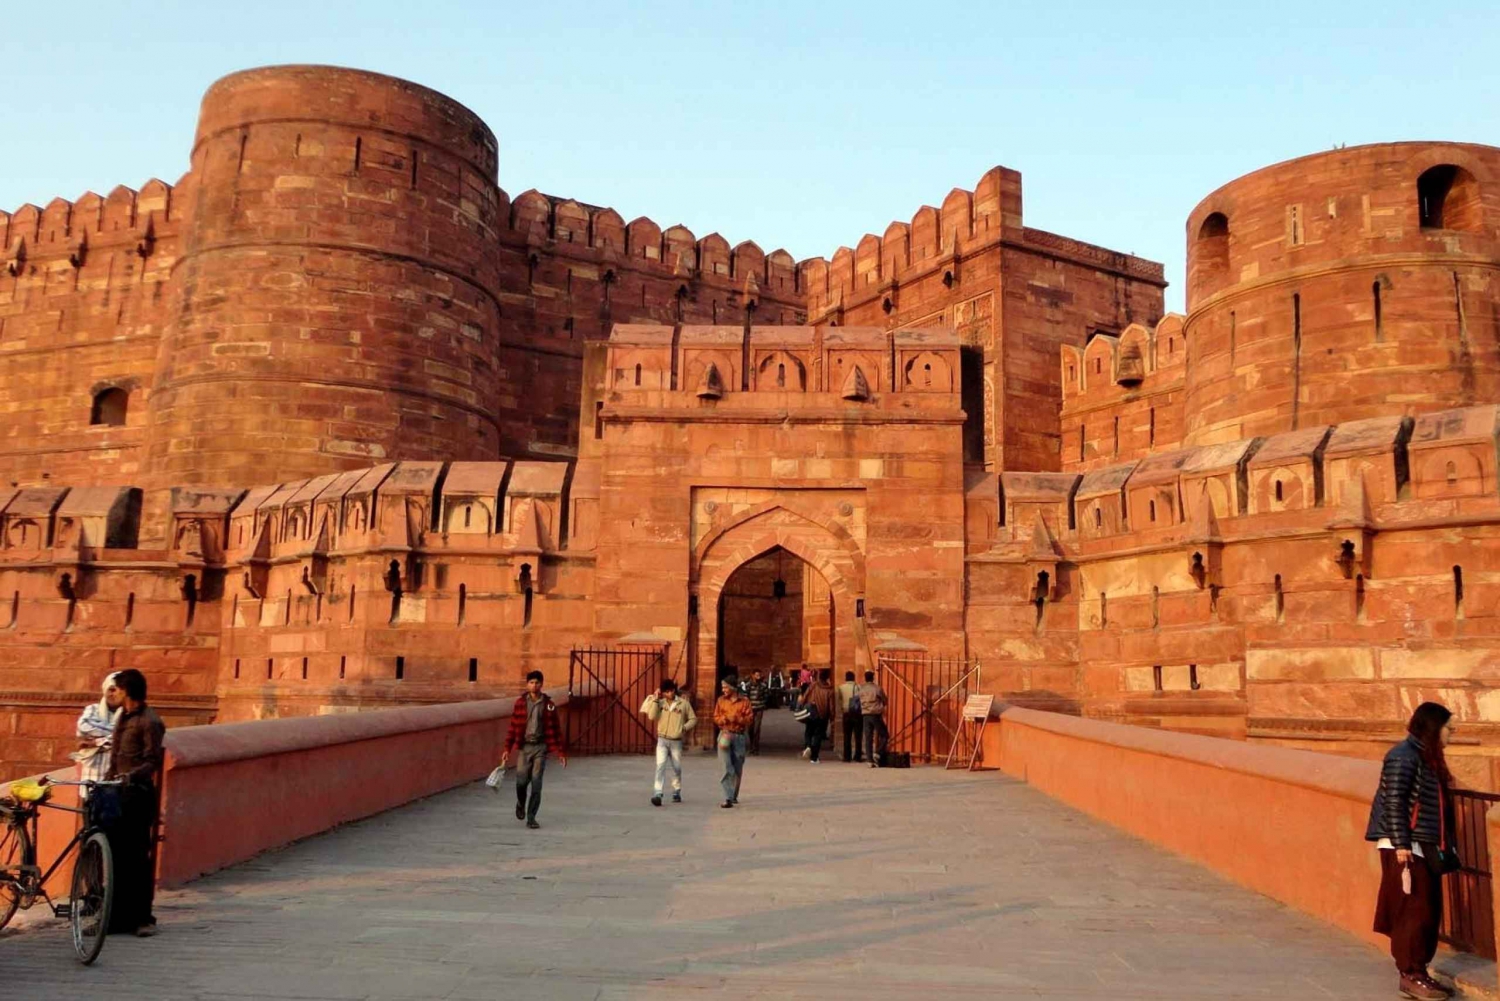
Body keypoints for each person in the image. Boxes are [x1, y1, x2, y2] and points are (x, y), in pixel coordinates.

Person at [1367, 702, 1458, 1001]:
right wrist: (1402, 844)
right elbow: (1394, 800)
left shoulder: (1423, 756)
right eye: (1448, 726)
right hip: (1406, 847)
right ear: (1433, 727)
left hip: (1422, 844)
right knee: (1413, 912)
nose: (1452, 731)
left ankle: (1419, 971)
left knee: (1426, 910)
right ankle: (1410, 975)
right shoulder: (1403, 756)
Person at [103, 668, 164, 937]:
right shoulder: (123, 718)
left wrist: (130, 776)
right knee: (115, 858)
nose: (112, 694)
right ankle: (116, 920)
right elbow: (116, 756)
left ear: (127, 690)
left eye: (116, 689)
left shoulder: (149, 721)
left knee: (137, 858)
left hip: (138, 795)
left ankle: (142, 919)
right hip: (118, 794)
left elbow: (153, 761)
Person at [502, 670, 568, 829]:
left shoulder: (549, 705)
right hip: (525, 747)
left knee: (537, 783)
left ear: (542, 684)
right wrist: (507, 748)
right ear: (527, 684)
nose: (534, 685)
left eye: (537, 682)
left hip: (541, 747)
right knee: (521, 781)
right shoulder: (520, 703)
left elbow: (556, 728)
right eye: (531, 682)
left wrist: (560, 752)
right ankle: (521, 802)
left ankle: (531, 817)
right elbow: (513, 726)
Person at [640, 678, 696, 806]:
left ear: (674, 690)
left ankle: (676, 790)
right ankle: (658, 793)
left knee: (676, 767)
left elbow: (693, 719)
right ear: (663, 692)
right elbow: (652, 716)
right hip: (662, 739)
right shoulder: (660, 703)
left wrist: (684, 728)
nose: (669, 694)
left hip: (676, 741)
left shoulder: (683, 704)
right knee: (660, 766)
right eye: (666, 692)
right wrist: (655, 699)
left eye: (671, 691)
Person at [74, 672, 123, 795]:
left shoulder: (128, 714)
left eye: (118, 690)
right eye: (111, 689)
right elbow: (83, 728)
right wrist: (112, 735)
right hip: (92, 776)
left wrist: (95, 742)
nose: (113, 694)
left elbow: (124, 736)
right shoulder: (92, 709)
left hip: (116, 778)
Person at [712, 675, 755, 808]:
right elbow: (716, 717)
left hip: (739, 736)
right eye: (722, 687)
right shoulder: (720, 700)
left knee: (737, 767)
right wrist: (723, 719)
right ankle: (728, 797)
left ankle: (733, 795)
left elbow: (749, 720)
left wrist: (736, 718)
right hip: (725, 734)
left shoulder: (744, 701)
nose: (723, 689)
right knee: (726, 767)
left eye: (725, 687)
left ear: (732, 688)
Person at [800, 670, 836, 763]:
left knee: (808, 731)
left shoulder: (813, 685)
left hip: (811, 711)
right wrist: (832, 717)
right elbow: (831, 706)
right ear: (827, 677)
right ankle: (814, 757)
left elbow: (805, 695)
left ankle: (808, 746)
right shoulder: (829, 689)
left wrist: (802, 704)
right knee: (818, 735)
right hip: (823, 714)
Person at [857, 670, 888, 768]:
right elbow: (885, 700)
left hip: (865, 714)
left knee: (868, 737)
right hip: (875, 714)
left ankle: (869, 760)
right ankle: (878, 752)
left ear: (865, 678)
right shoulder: (877, 688)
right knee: (884, 735)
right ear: (873, 678)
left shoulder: (861, 689)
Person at [837, 670, 863, 763]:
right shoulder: (859, 687)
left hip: (847, 713)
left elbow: (839, 700)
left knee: (847, 736)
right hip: (857, 713)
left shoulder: (841, 687)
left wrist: (842, 709)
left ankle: (847, 756)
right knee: (858, 736)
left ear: (846, 678)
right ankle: (858, 756)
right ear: (854, 678)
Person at [743, 670, 769, 755]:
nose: (758, 676)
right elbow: (745, 697)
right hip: (750, 709)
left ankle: (755, 748)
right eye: (757, 675)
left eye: (759, 675)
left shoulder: (763, 685)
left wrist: (763, 703)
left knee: (756, 728)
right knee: (750, 728)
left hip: (759, 708)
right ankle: (752, 745)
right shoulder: (748, 685)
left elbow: (766, 695)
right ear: (753, 675)